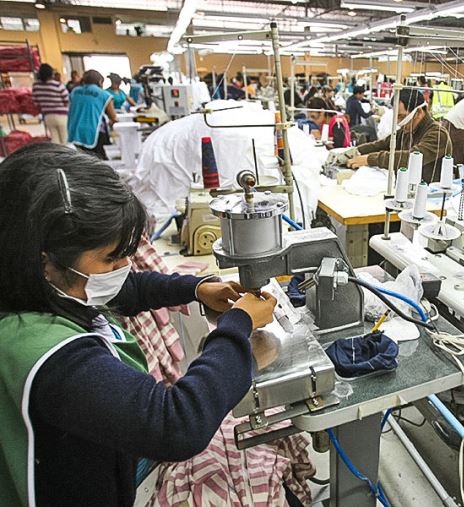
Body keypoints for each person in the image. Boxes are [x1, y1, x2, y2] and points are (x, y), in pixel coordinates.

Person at [0, 143, 278, 506]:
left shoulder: (46, 290)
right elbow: (176, 424)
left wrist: (196, 288)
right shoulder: (44, 353)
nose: (124, 268)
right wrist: (237, 328)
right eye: (111, 259)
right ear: (46, 263)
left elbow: (124, 288)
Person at [333, 89, 452, 182]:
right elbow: (383, 144)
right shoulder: (408, 130)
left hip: (430, 196)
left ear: (419, 112)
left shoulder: (437, 134)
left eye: (402, 116)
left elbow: (411, 157)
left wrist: (369, 159)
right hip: (407, 188)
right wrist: (354, 152)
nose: (399, 122)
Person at [68, 69, 118, 159]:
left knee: (83, 158)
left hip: (75, 131)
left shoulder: (75, 91)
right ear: (100, 82)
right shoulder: (104, 95)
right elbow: (113, 117)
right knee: (99, 159)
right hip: (93, 132)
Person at [32, 63, 69, 145]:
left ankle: (56, 152)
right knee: (64, 139)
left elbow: (36, 102)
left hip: (48, 115)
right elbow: (66, 99)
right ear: (51, 73)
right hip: (61, 115)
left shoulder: (36, 86)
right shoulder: (58, 85)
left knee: (55, 140)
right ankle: (65, 152)